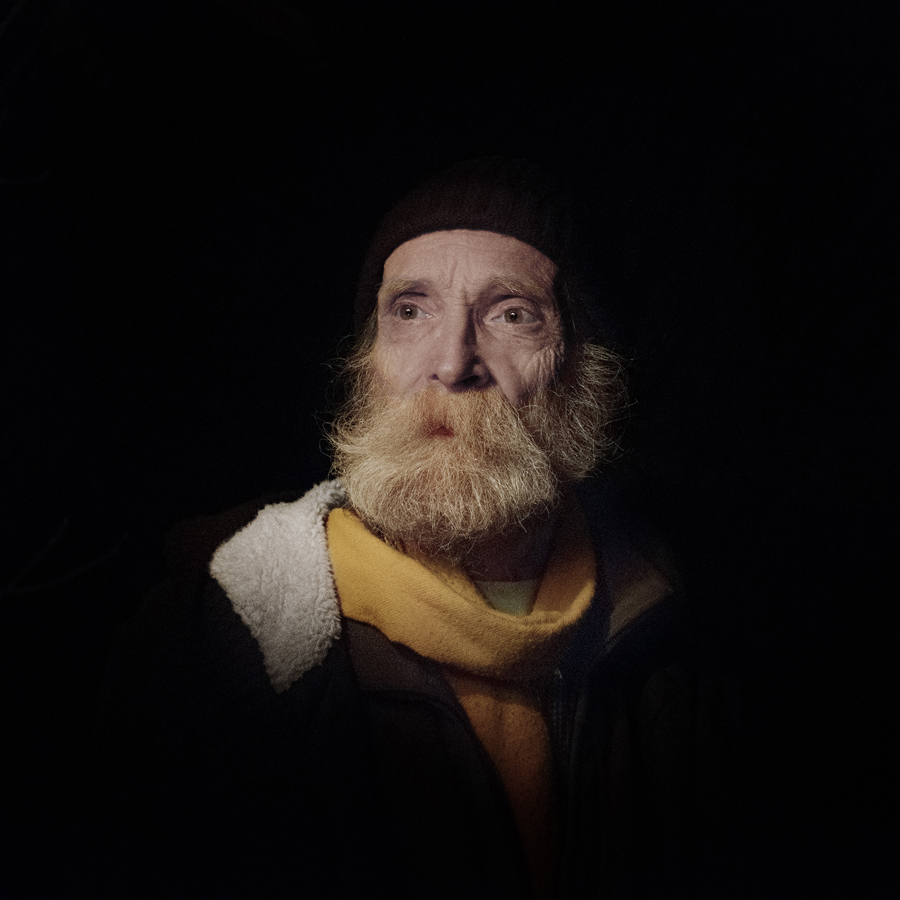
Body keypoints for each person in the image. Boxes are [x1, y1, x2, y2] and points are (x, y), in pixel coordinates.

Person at [80, 158, 736, 899]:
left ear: (582, 375)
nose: (453, 364)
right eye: (411, 311)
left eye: (512, 314)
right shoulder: (203, 641)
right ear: (367, 364)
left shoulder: (672, 631)